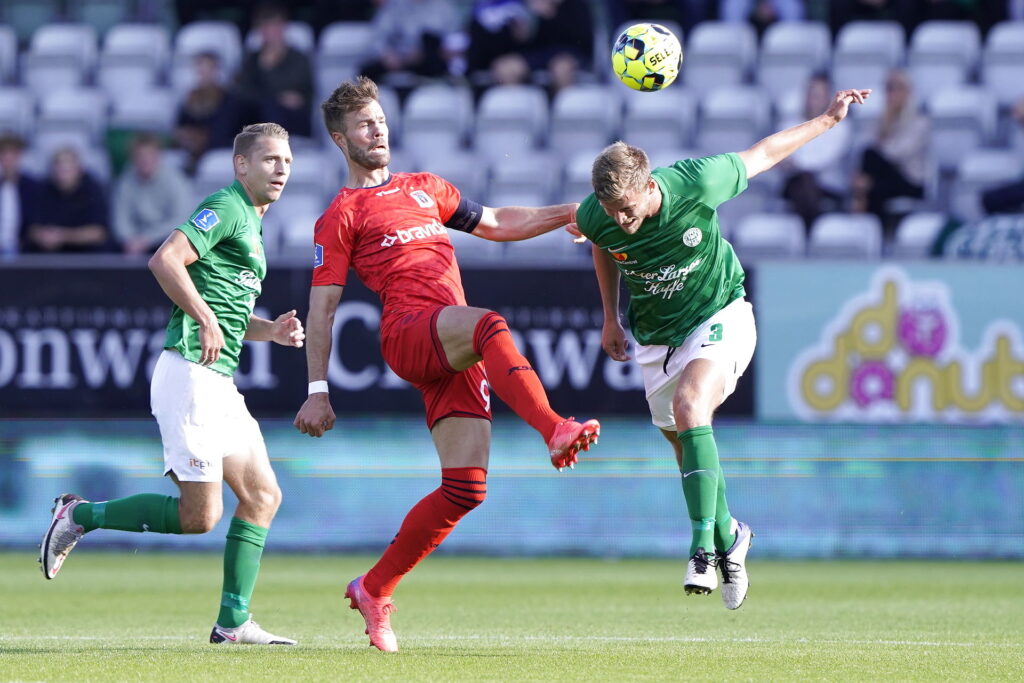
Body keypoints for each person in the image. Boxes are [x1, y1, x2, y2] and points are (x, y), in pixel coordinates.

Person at [293, 76, 601, 652]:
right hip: (410, 331)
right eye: (363, 124)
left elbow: (498, 224)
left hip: (450, 343)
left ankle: (374, 589)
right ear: (340, 139)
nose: (377, 129)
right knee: (489, 325)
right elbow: (323, 306)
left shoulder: (426, 188)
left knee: (466, 488)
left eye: (380, 119)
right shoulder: (341, 213)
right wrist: (317, 388)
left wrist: (567, 212)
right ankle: (554, 427)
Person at [574, 88, 870, 609]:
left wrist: (827, 119)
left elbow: (764, 152)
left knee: (691, 407)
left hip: (720, 313)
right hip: (655, 339)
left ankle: (700, 552)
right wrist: (608, 315)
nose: (621, 219)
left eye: (627, 208)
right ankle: (731, 535)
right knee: (685, 442)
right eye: (610, 210)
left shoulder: (697, 182)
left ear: (648, 186)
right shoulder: (599, 213)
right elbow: (602, 242)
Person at [39, 123, 305, 646]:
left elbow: (227, 315)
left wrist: (269, 331)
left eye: (287, 162)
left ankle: (232, 624)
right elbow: (164, 258)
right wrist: (204, 317)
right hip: (189, 375)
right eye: (270, 159)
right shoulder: (226, 206)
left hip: (218, 381)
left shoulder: (252, 224)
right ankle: (80, 515)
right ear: (241, 165)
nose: (281, 170)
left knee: (263, 496)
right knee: (199, 516)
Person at [851, 69, 928, 234]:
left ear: (908, 91)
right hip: (885, 180)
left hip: (909, 180)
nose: (892, 94)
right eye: (888, 88)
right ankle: (870, 231)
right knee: (874, 186)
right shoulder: (881, 120)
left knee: (870, 158)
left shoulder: (919, 121)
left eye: (896, 88)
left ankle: (860, 203)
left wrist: (885, 133)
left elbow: (898, 153)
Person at [781, 72, 852, 231]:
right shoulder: (789, 123)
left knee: (806, 180)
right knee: (802, 182)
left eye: (819, 94)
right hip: (794, 183)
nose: (814, 99)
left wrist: (796, 162)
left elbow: (822, 159)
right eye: (811, 93)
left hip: (827, 186)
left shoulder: (840, 126)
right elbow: (779, 155)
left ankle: (808, 231)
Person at [237, 2, 314, 138]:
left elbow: (298, 90)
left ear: (283, 28)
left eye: (275, 27)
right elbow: (242, 90)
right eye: (266, 28)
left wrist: (270, 68)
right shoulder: (252, 59)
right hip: (259, 115)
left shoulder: (298, 58)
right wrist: (266, 66)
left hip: (292, 116)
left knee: (272, 108)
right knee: (251, 106)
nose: (271, 32)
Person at [113, 132, 194, 256]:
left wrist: (147, 239)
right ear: (132, 158)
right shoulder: (126, 180)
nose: (145, 159)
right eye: (140, 155)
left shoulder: (176, 180)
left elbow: (181, 219)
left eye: (149, 155)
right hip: (133, 241)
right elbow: (121, 217)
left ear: (158, 156)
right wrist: (129, 239)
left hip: (165, 237)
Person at [24, 147, 115, 254]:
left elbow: (99, 233)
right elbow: (32, 229)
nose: (63, 173)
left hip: (86, 254)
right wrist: (42, 236)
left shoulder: (93, 188)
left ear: (79, 170)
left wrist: (63, 236)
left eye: (67, 169)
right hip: (50, 253)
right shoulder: (43, 188)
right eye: (59, 168)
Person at [175, 51, 243, 174]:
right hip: (192, 150)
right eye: (200, 68)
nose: (203, 73)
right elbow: (181, 126)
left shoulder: (228, 99)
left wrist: (200, 138)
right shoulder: (191, 98)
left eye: (207, 68)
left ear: (215, 71)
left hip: (219, 151)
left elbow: (224, 131)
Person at [0, 133, 40, 257]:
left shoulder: (33, 186)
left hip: (25, 252)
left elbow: (37, 222)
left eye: (13, 154)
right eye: (4, 154)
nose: (8, 159)